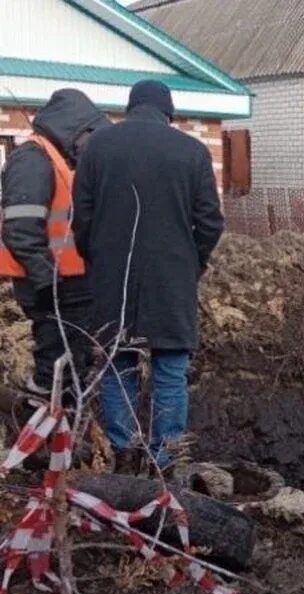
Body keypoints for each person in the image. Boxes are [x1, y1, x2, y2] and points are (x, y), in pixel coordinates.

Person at [73, 80, 223, 476]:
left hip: (112, 276)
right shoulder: (192, 151)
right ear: (168, 112)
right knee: (171, 368)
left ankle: (124, 454)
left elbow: (82, 220)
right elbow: (210, 222)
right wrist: (194, 263)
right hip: (171, 278)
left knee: (118, 364)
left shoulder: (97, 148)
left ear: (131, 106)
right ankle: (166, 461)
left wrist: (99, 260)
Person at [0, 89, 109, 400]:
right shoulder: (32, 161)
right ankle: (43, 425)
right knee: (56, 364)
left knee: (74, 360)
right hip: (50, 285)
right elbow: (20, 230)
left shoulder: (55, 159)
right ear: (74, 129)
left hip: (67, 282)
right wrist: (48, 282)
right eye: (89, 135)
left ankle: (62, 424)